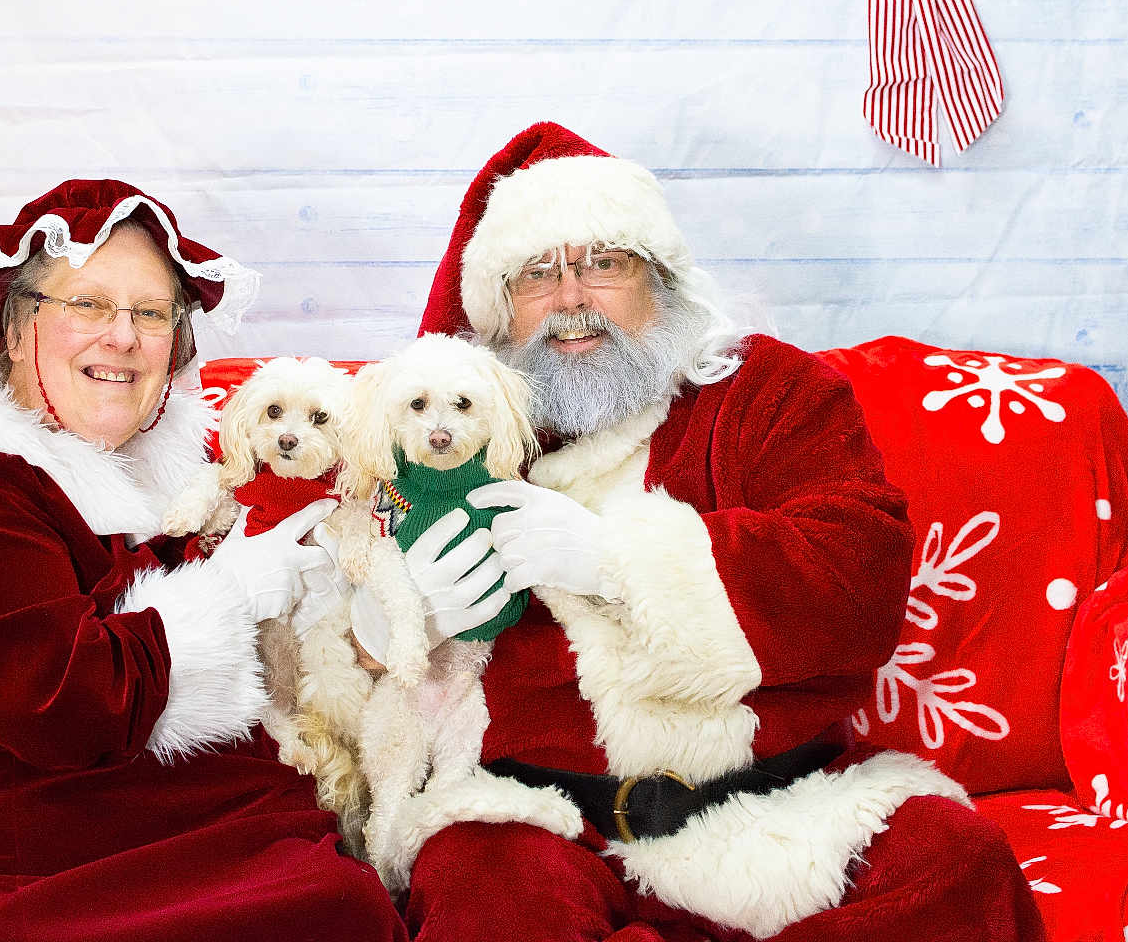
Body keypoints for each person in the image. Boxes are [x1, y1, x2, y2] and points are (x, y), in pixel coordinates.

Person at [380, 124, 1046, 942]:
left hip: (777, 809)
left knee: (954, 861)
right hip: (540, 815)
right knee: (484, 895)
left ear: (661, 280)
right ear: (497, 312)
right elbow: (352, 626)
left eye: (603, 263)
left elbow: (859, 575)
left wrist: (617, 561)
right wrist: (399, 620)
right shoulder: (447, 432)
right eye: (536, 276)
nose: (571, 299)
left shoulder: (768, 391)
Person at [0, 179, 405, 942]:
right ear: (17, 327)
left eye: (151, 314)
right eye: (88, 304)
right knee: (320, 908)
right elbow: (73, 704)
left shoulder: (182, 487)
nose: (123, 336)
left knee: (333, 895)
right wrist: (232, 590)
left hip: (105, 815)